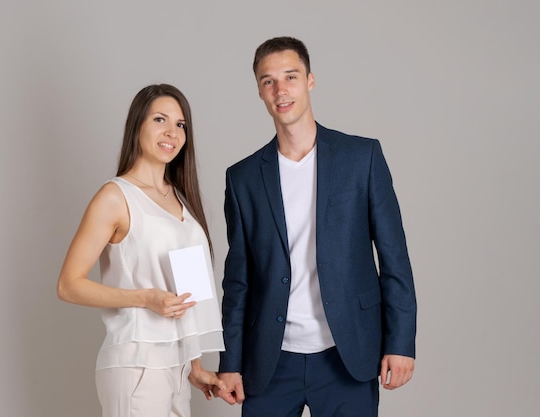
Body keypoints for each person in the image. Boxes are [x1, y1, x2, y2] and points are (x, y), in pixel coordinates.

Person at [215, 37, 417, 416]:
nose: (280, 90)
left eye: (290, 76)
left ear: (310, 80)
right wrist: (230, 361)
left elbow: (394, 258)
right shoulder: (242, 178)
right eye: (268, 81)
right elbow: (238, 281)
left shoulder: (362, 158)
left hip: (347, 354)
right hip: (270, 360)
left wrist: (401, 341)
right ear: (259, 91)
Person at [57, 84, 226, 417]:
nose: (172, 132)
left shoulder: (180, 199)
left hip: (176, 366)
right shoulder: (115, 197)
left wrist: (195, 366)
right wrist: (145, 298)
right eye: (160, 119)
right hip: (136, 363)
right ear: (137, 125)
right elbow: (68, 285)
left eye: (180, 124)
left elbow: (187, 291)